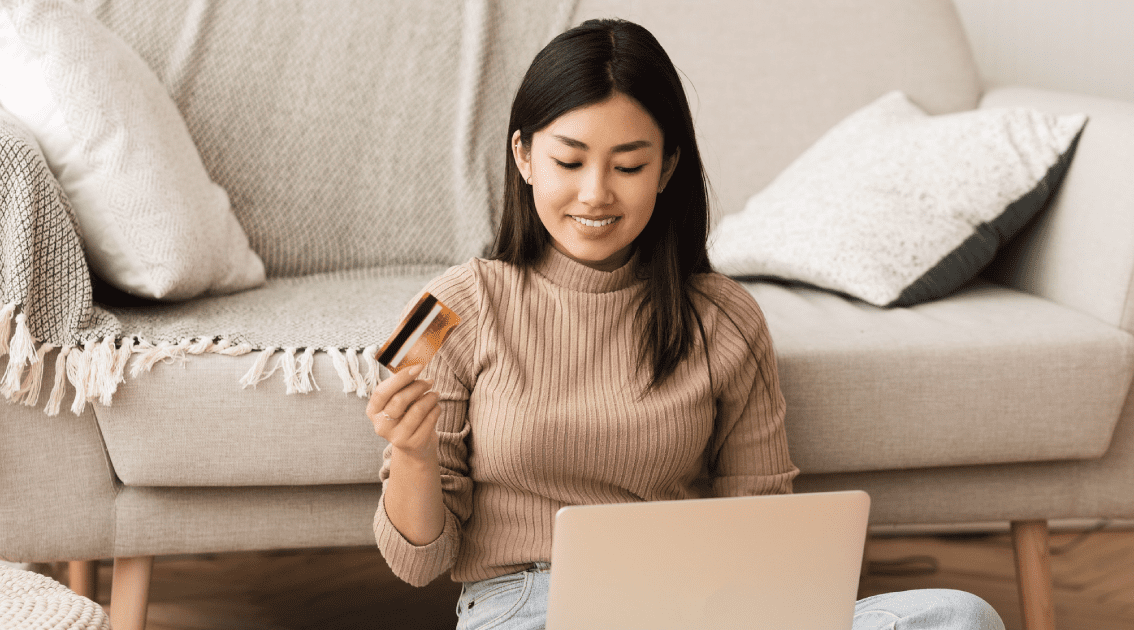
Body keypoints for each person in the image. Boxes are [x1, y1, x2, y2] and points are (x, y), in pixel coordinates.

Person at [367, 18, 1005, 630]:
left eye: (628, 166)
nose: (595, 194)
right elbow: (418, 561)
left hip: (694, 606)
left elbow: (761, 527)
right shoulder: (458, 307)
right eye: (569, 162)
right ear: (525, 157)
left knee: (960, 617)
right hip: (529, 604)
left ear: (667, 169)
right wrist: (414, 453)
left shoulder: (724, 318)